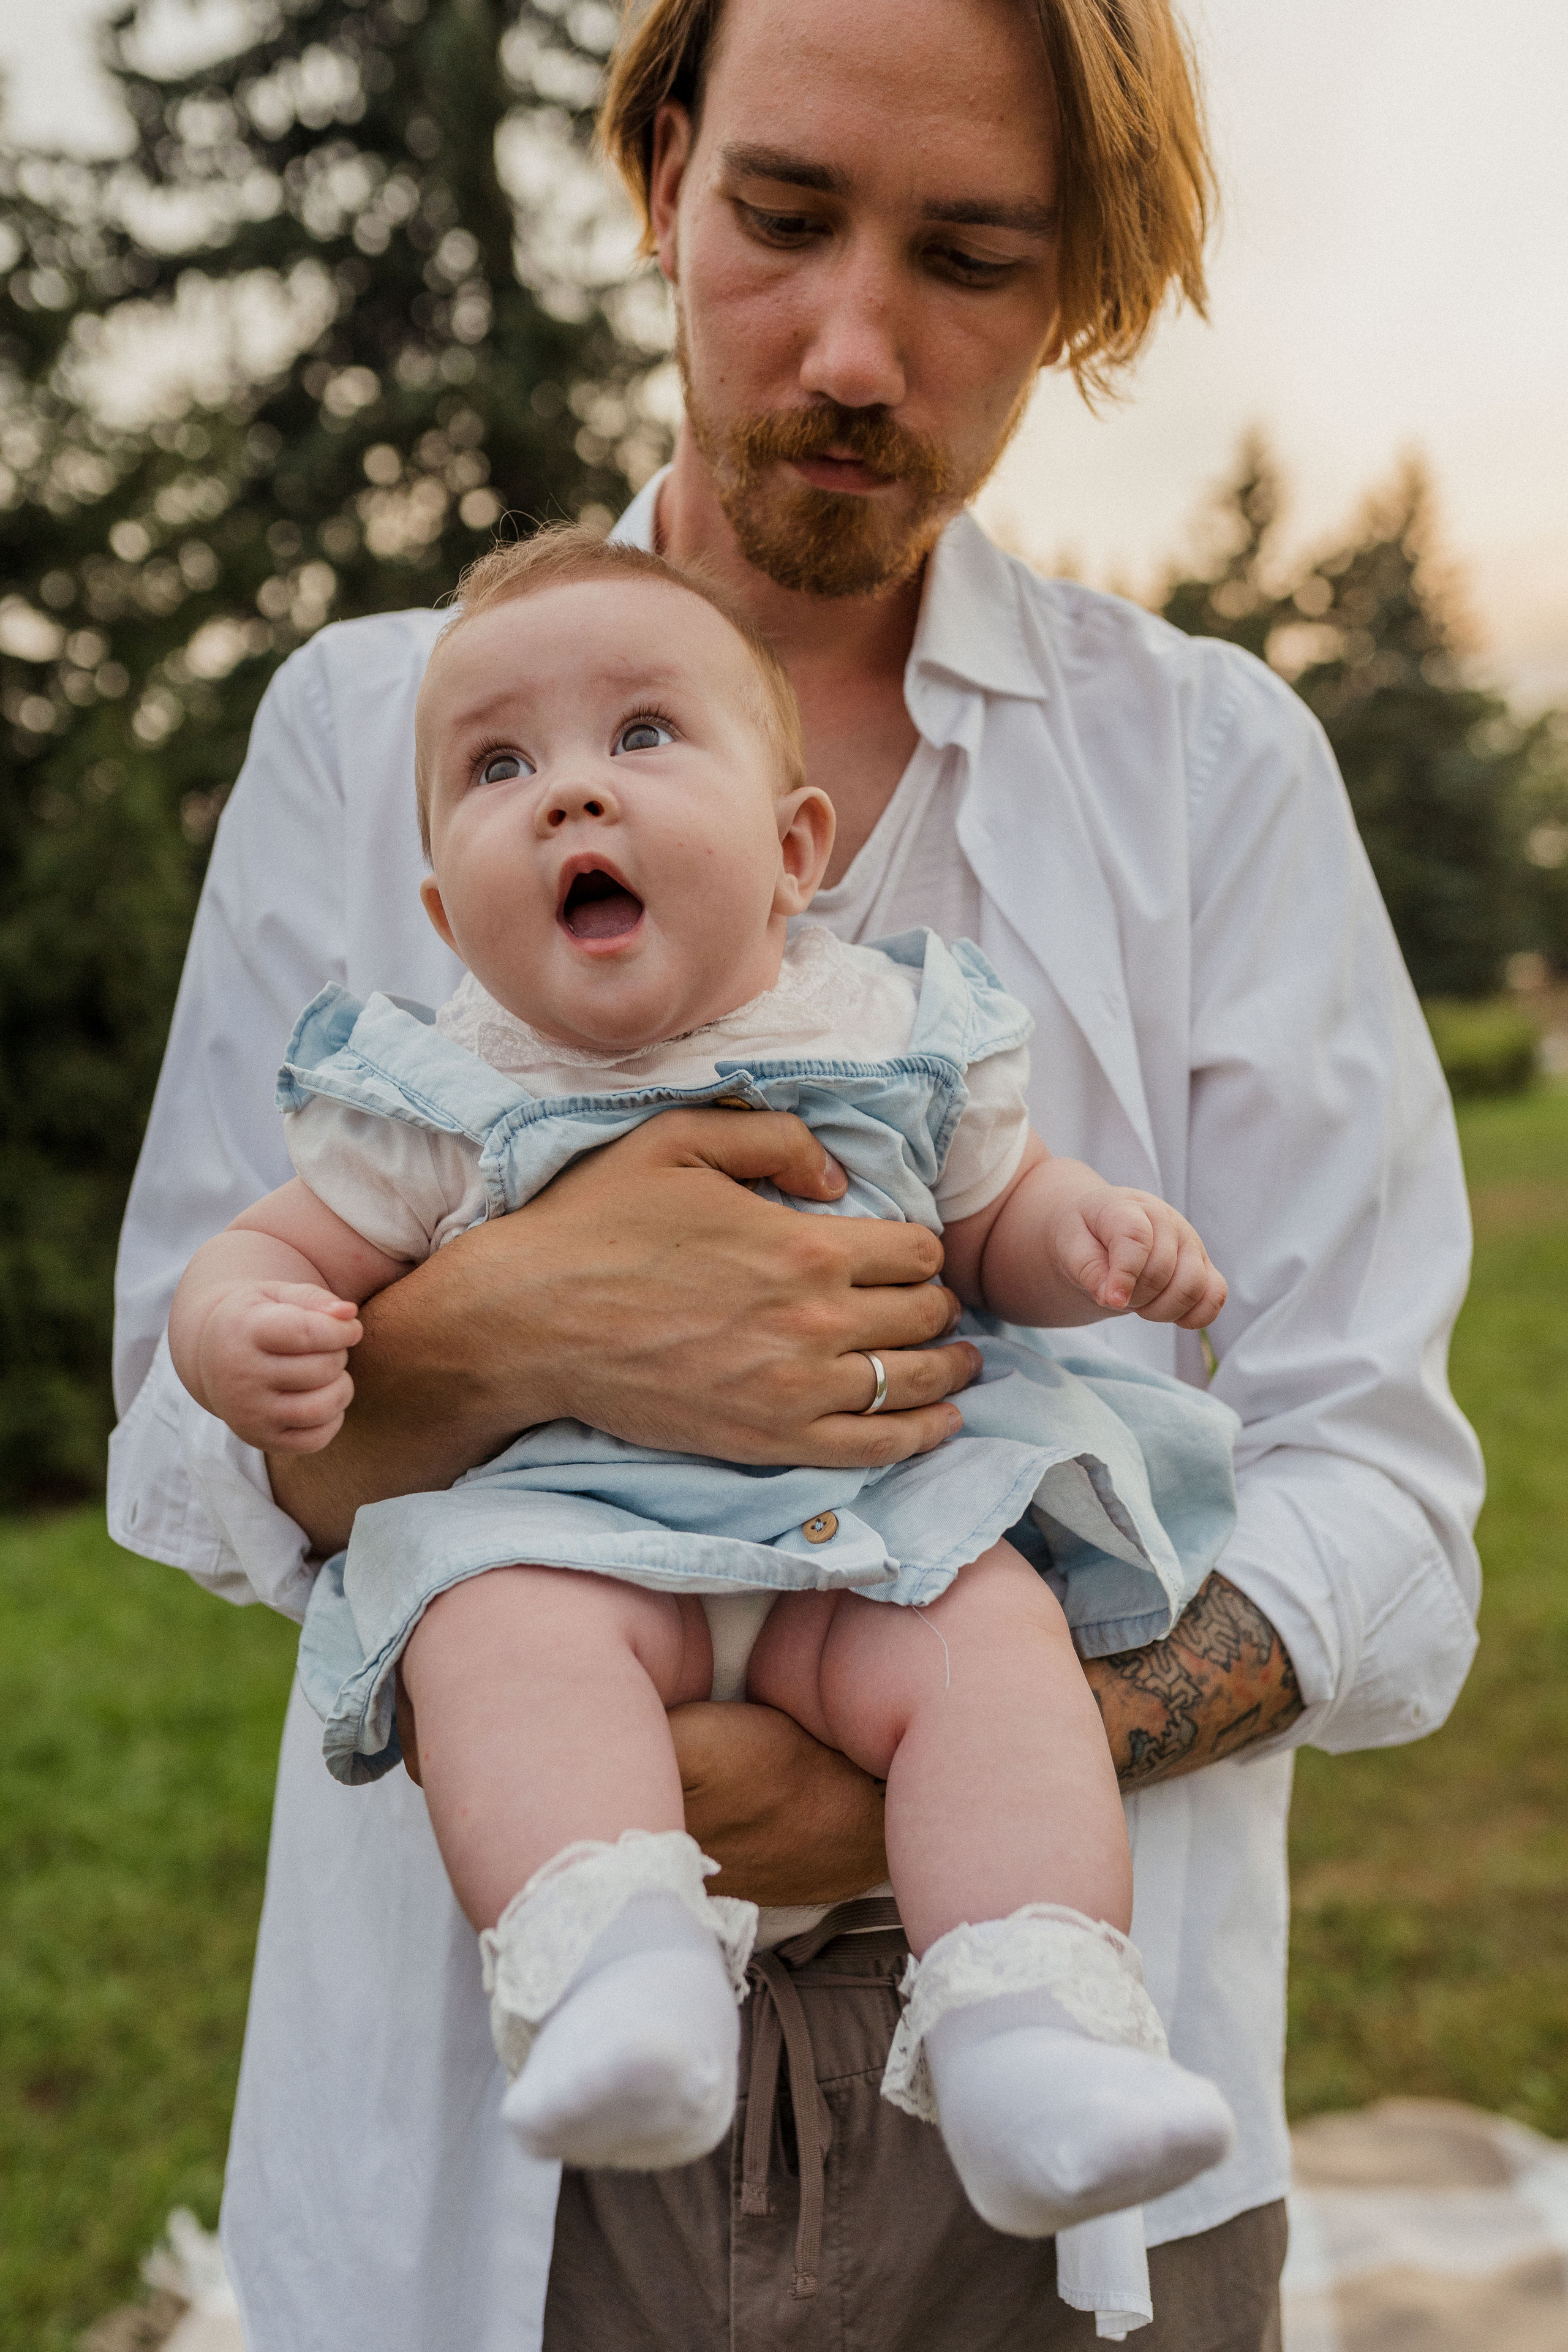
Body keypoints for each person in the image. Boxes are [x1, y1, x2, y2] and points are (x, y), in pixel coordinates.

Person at [108, 0, 1484, 2344]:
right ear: (663, 174)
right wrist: (514, 1329)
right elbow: (180, 1444)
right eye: (781, 214)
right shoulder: (370, 729)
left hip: (1082, 2145)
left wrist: (924, 1774)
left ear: (1076, 285)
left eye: (972, 257)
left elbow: (1386, 1506)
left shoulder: (1211, 773)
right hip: (481, 2126)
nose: (855, 349)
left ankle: (1023, 2001)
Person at [167, 527, 1240, 2272]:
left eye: (643, 736)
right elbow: (261, 1248)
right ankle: (618, 1981)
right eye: (497, 768)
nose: (571, 795)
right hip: (574, 1549)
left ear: (797, 849)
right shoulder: (439, 1096)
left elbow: (998, 1216)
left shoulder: (893, 1027)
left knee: (994, 1658)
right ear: (444, 913)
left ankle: (1035, 2033)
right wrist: (240, 1327)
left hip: (872, 1542)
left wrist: (1093, 1239)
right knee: (493, 1645)